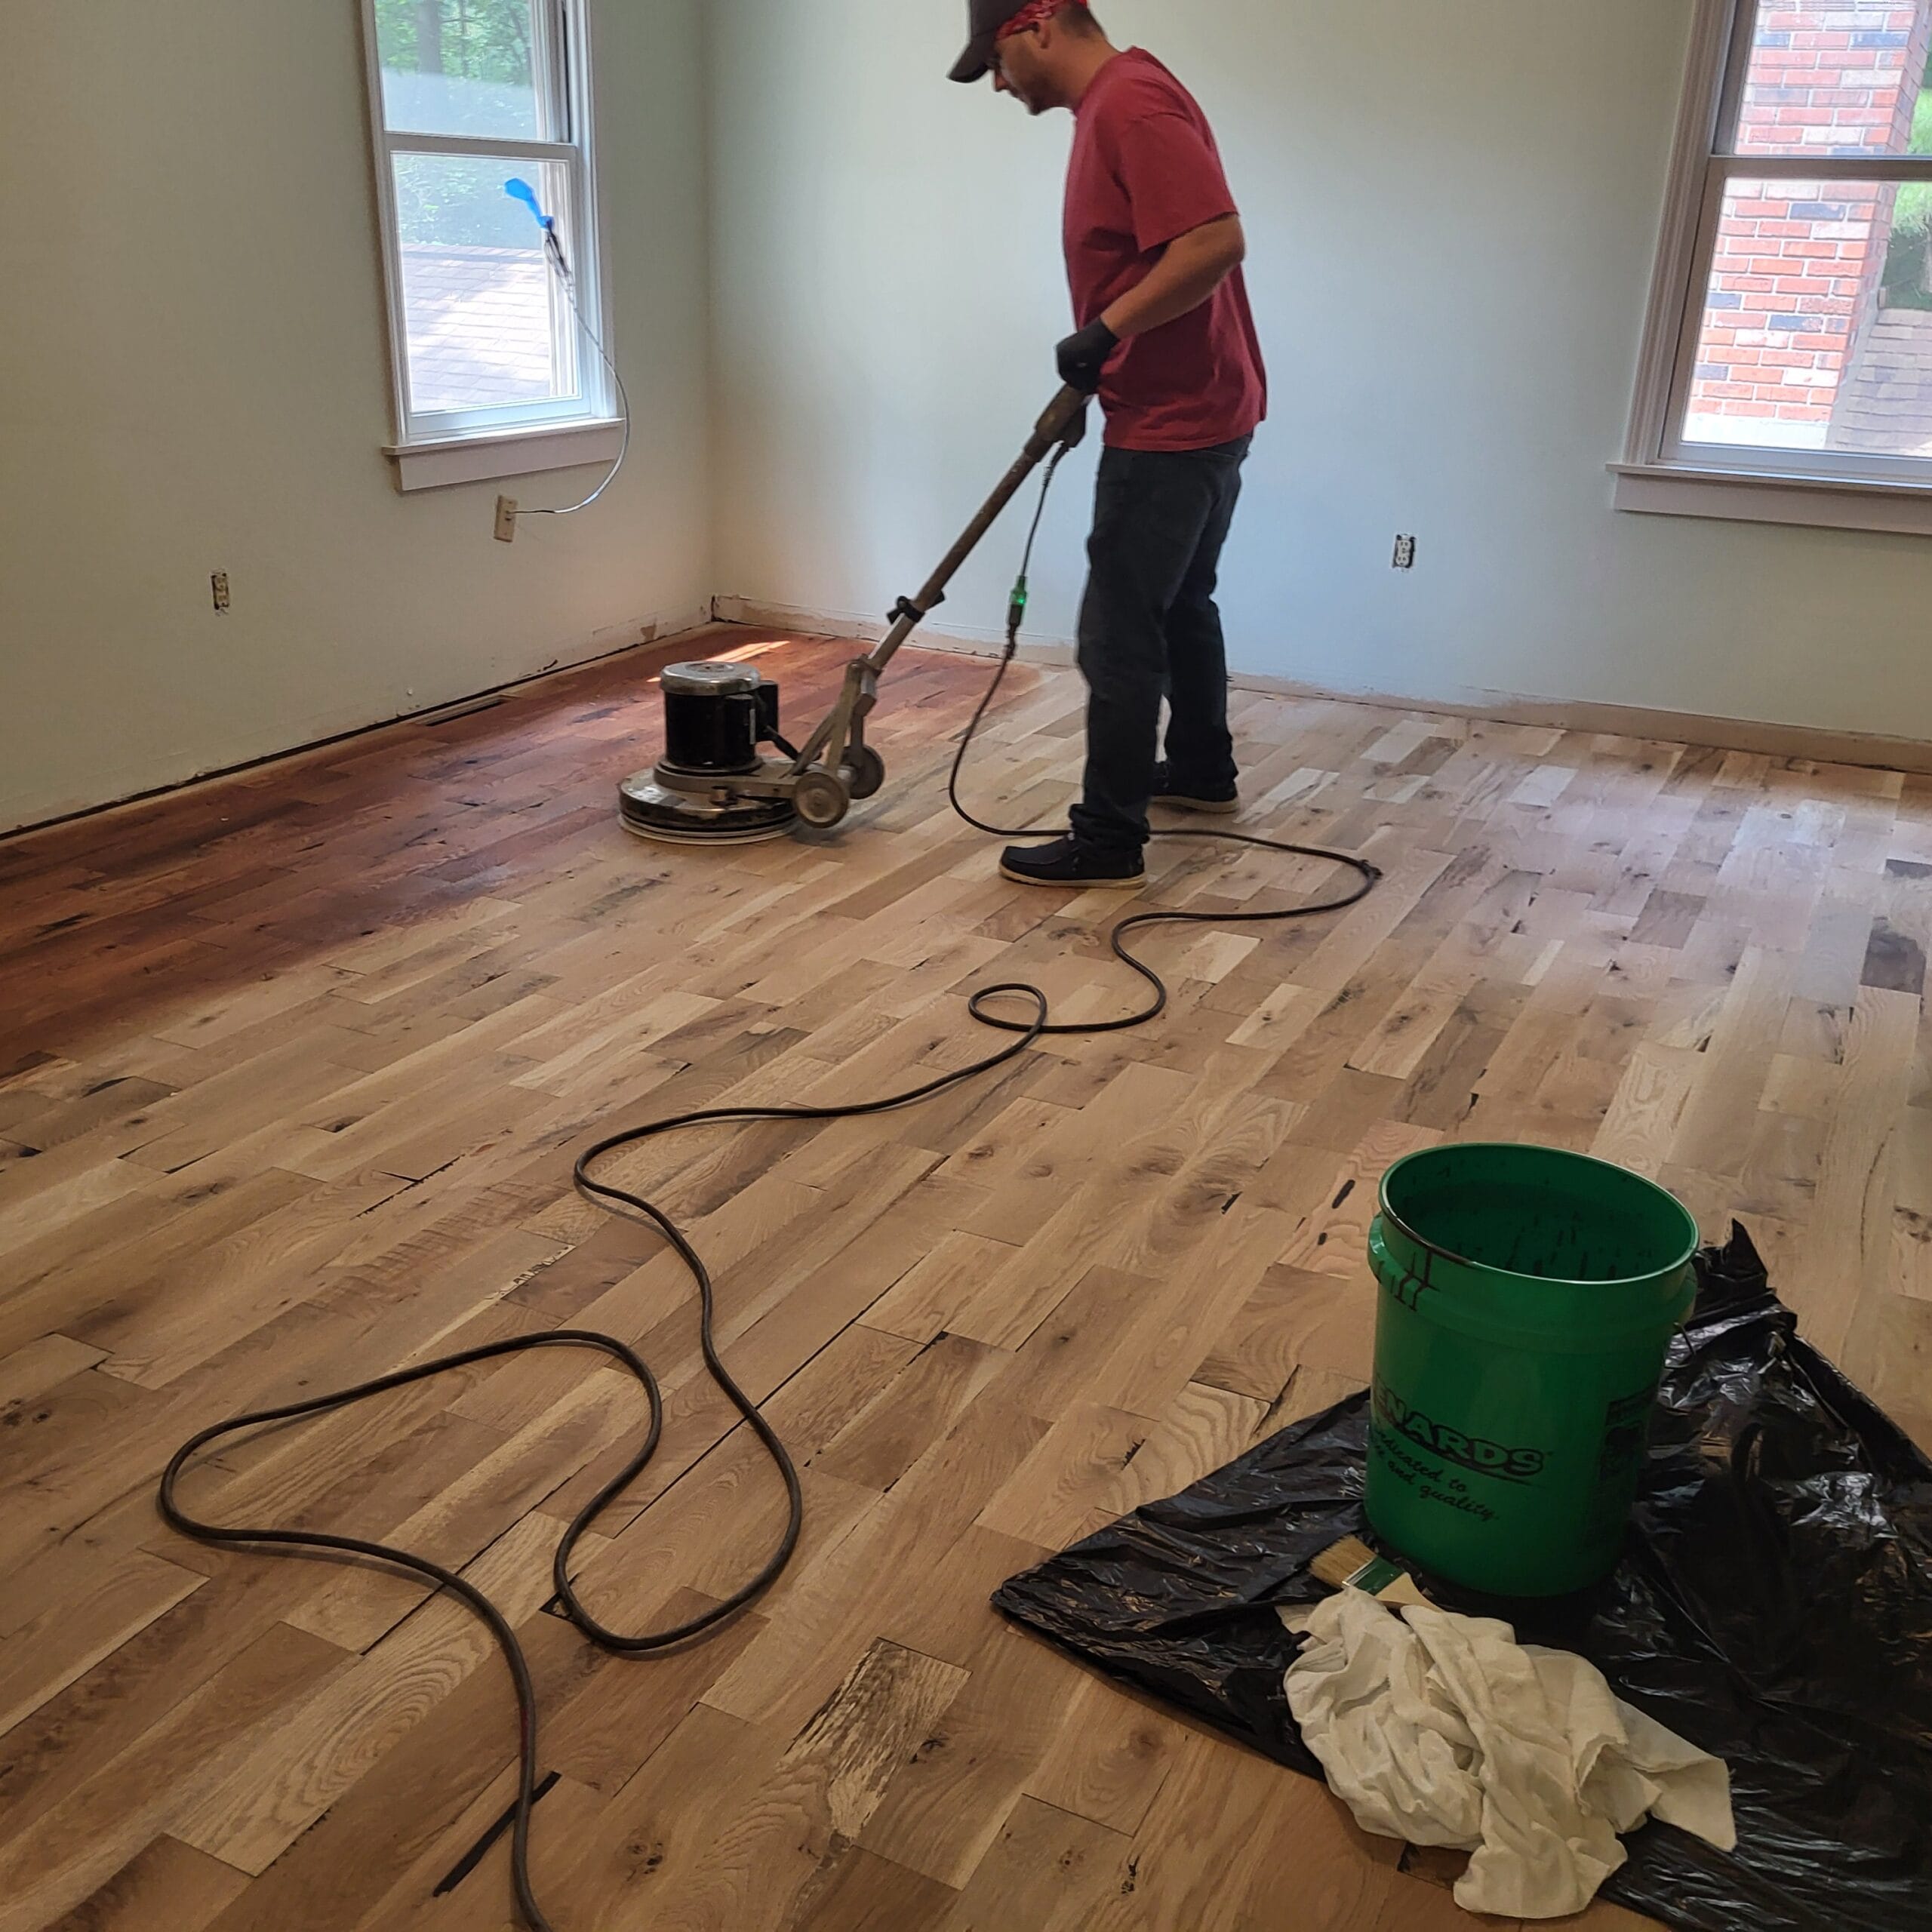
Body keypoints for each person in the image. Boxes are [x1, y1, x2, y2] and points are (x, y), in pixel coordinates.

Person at [951, 0, 1268, 889]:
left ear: (1039, 21)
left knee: (1117, 632)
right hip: (1204, 404)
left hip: (1174, 423)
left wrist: (1103, 335)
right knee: (1180, 602)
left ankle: (1107, 839)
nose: (1001, 84)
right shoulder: (1127, 97)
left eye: (999, 61)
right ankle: (1203, 771)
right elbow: (1158, 254)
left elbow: (1213, 243)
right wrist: (1109, 363)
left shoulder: (1128, 103)